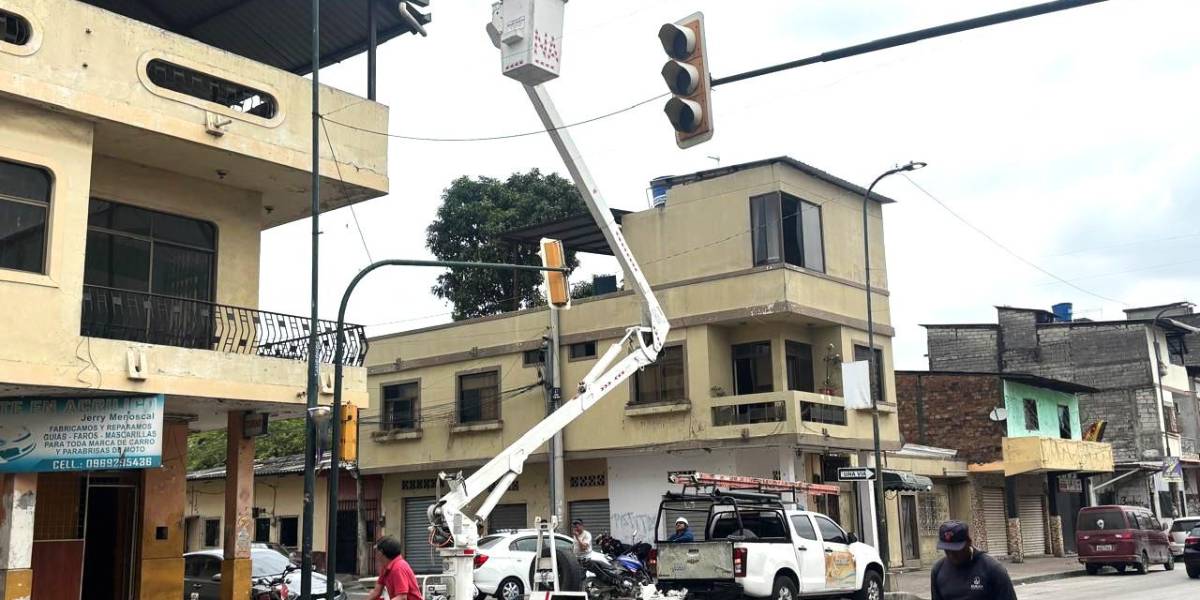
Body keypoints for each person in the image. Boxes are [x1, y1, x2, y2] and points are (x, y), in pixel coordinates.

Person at [930, 520, 1017, 600]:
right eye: (947, 549)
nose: (951, 554)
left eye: (956, 549)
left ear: (969, 542)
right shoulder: (938, 570)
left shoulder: (993, 570)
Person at [368, 536, 425, 600]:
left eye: (376, 551)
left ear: (381, 552)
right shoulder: (385, 567)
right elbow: (376, 592)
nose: (376, 555)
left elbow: (402, 597)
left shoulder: (398, 568)